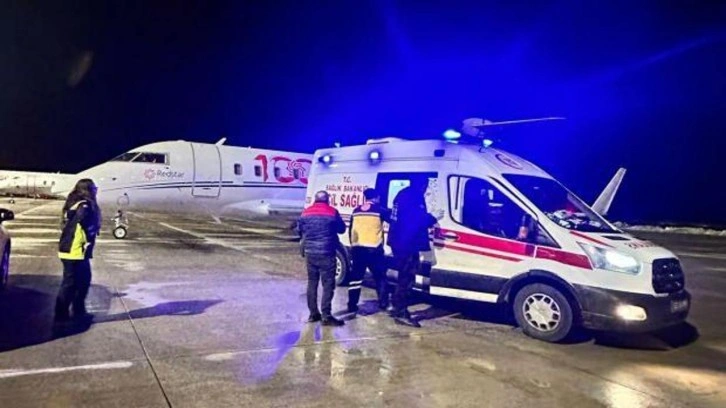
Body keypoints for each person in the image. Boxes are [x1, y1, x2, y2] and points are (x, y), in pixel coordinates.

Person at [387, 178, 438, 328]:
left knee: (403, 276)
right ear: (422, 184)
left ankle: (395, 305)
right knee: (407, 278)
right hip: (407, 243)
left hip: (399, 241)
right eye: (426, 185)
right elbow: (416, 220)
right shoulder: (414, 196)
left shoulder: (402, 194)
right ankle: (401, 312)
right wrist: (432, 217)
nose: (426, 189)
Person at [297, 191, 346, 326]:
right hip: (327, 252)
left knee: (312, 283)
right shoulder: (332, 212)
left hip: (310, 252)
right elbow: (341, 229)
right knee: (328, 284)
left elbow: (299, 230)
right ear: (327, 200)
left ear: (315, 199)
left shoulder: (306, 212)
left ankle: (313, 314)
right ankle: (326, 315)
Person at [55, 179, 101, 322]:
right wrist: (90, 235)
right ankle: (61, 316)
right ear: (88, 190)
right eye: (94, 188)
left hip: (73, 248)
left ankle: (77, 310)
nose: (96, 191)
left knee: (82, 281)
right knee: (71, 283)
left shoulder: (74, 202)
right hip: (75, 250)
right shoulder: (84, 206)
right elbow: (84, 224)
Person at [347, 188, 391, 314]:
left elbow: (351, 230)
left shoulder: (356, 211)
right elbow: (393, 220)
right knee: (380, 277)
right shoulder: (379, 210)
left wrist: (352, 245)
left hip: (358, 249)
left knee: (356, 278)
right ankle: (383, 303)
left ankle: (352, 304)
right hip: (374, 249)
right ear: (377, 197)